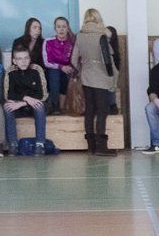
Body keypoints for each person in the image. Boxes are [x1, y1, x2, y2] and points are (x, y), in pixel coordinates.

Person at [71, 8, 118, 156]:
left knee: (90, 111)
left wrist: (81, 69)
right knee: (102, 111)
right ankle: (102, 147)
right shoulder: (102, 36)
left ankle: (91, 146)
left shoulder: (79, 36)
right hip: (102, 78)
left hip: (86, 76)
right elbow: (109, 62)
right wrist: (113, 79)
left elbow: (73, 59)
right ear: (98, 19)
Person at [3, 46, 47, 156]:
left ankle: (40, 144)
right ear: (14, 61)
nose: (23, 61)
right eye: (19, 59)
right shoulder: (10, 72)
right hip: (18, 106)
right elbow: (8, 94)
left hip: (32, 105)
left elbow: (42, 94)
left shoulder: (37, 70)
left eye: (26, 58)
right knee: (7, 107)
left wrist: (24, 102)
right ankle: (13, 145)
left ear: (30, 58)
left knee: (40, 106)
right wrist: (25, 98)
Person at [43, 16, 76, 115]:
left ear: (68, 28)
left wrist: (71, 67)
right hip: (54, 72)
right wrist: (61, 67)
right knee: (54, 73)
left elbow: (78, 59)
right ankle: (55, 105)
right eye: (58, 27)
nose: (61, 29)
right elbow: (46, 62)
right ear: (55, 28)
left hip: (69, 72)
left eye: (64, 27)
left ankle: (74, 105)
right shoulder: (48, 41)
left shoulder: (73, 42)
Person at [106, 26, 121, 114]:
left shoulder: (113, 53)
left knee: (111, 82)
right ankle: (112, 105)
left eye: (108, 38)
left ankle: (112, 105)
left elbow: (116, 71)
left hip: (111, 79)